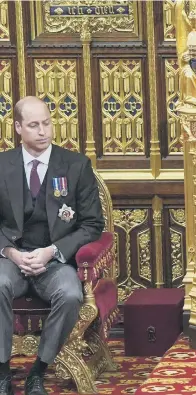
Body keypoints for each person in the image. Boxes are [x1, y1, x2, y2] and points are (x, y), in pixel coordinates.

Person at [0, 96, 105, 395]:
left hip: (54, 260)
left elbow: (92, 224)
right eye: (34, 125)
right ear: (18, 127)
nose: (43, 131)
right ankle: (2, 372)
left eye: (46, 123)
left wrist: (52, 251)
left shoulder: (75, 166)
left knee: (72, 294)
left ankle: (39, 370)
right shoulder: (1, 165)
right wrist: (10, 252)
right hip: (11, 259)